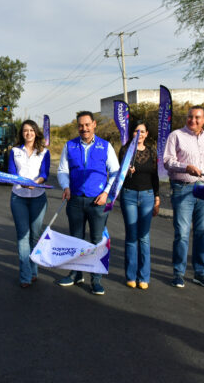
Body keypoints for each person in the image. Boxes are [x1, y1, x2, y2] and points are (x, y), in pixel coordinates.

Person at [56, 111, 120, 295]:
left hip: (98, 201)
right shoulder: (70, 146)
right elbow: (62, 170)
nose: (84, 128)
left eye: (87, 125)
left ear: (94, 125)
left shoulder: (105, 146)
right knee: (75, 239)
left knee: (96, 241)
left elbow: (115, 173)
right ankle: (75, 273)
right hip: (75, 199)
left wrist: (106, 193)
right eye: (80, 125)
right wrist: (66, 186)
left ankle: (96, 279)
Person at [163, 105, 204, 289]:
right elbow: (167, 161)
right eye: (190, 117)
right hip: (183, 188)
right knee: (182, 233)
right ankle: (178, 273)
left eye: (197, 117)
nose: (193, 120)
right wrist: (185, 167)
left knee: (202, 233)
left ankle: (200, 273)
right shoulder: (176, 135)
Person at [7, 120, 50, 288]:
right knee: (23, 236)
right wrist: (22, 182)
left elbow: (45, 173)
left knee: (34, 236)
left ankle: (33, 270)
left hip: (38, 197)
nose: (29, 133)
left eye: (32, 130)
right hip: (19, 196)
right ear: (21, 134)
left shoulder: (44, 152)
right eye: (25, 131)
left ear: (36, 132)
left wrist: (37, 181)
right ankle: (25, 275)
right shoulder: (15, 151)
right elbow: (11, 172)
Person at [118, 121, 160, 290]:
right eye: (136, 131)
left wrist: (157, 197)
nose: (139, 134)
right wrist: (127, 171)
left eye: (142, 131)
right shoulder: (125, 150)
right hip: (128, 195)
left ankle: (143, 277)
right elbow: (118, 174)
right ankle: (130, 276)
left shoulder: (152, 151)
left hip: (148, 196)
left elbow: (155, 176)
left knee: (144, 237)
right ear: (132, 134)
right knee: (131, 236)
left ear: (147, 134)